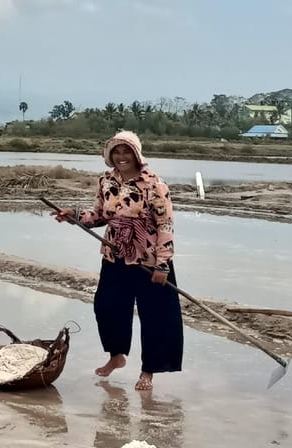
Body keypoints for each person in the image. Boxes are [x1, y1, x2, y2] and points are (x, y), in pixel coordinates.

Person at [51, 130, 183, 392]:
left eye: (126, 152)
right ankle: (116, 355)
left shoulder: (155, 184)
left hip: (148, 258)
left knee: (156, 316)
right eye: (116, 152)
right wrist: (74, 215)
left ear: (137, 154)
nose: (121, 157)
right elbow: (100, 216)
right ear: (110, 156)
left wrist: (162, 264)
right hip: (115, 254)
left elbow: (165, 224)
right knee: (107, 305)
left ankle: (148, 371)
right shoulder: (106, 181)